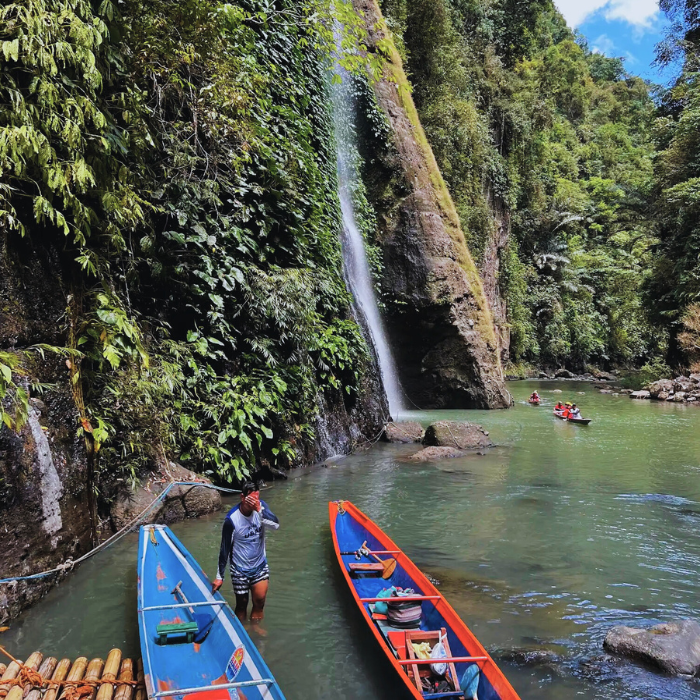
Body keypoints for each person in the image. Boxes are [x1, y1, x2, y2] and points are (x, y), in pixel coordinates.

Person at [212, 482, 280, 623]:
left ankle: (255, 628)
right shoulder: (232, 520)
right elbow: (224, 548)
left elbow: (276, 526)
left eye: (257, 498)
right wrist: (220, 577)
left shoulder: (261, 508)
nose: (255, 502)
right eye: (251, 499)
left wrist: (259, 509)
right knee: (241, 605)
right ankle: (242, 630)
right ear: (242, 497)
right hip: (240, 569)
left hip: (259, 565)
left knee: (260, 601)